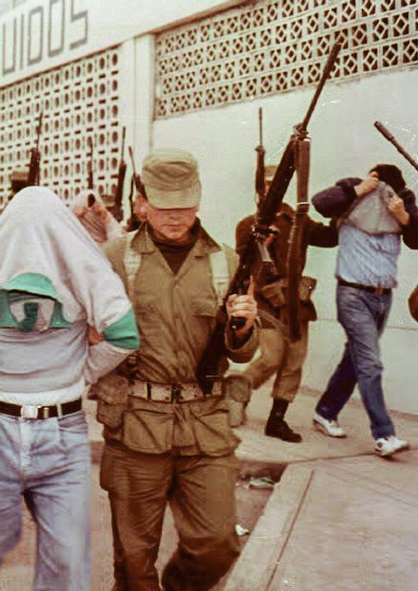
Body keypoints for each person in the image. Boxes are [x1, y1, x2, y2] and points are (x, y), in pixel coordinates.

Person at [0, 185, 138, 590]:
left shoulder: (2, 265)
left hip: (58, 428)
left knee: (66, 566)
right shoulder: (73, 265)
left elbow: (124, 333)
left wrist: (77, 376)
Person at [93, 148, 259, 591]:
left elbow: (241, 354)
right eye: (163, 204)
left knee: (217, 543)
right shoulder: (112, 257)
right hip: (136, 424)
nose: (174, 215)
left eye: (184, 204)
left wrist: (243, 327)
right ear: (142, 201)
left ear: (199, 199)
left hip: (205, 424)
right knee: (134, 559)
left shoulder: (226, 262)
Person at [310, 164, 418, 457]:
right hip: (352, 293)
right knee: (370, 363)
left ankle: (325, 411)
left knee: (355, 360)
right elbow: (320, 203)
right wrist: (359, 189)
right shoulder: (352, 194)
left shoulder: (403, 204)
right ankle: (384, 435)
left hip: (382, 298)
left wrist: (403, 216)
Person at [233, 164, 338, 442]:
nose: (270, 188)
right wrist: (260, 243)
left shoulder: (298, 220)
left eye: (275, 183)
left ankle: (276, 420)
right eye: (266, 184)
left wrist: (344, 206)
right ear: (260, 188)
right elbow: (241, 264)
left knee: (294, 360)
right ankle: (237, 394)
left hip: (295, 300)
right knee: (271, 358)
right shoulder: (248, 224)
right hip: (266, 299)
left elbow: (329, 238)